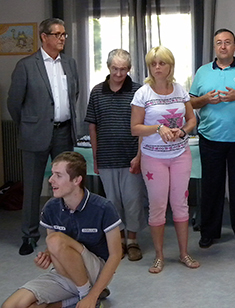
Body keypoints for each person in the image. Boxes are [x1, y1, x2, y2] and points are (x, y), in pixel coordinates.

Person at [1, 152, 121, 308]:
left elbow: (116, 255)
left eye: (58, 175)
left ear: (76, 180)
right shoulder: (51, 207)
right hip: (65, 272)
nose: (51, 180)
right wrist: (47, 255)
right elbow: (54, 248)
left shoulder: (103, 208)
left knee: (55, 239)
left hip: (95, 271)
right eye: (52, 174)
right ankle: (74, 299)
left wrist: (91, 295)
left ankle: (88, 295)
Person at [7, 18, 79, 256]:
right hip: (34, 134)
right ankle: (29, 236)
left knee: (66, 184)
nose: (62, 39)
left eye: (64, 35)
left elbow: (74, 94)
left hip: (63, 132)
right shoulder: (26, 65)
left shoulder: (69, 63)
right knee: (33, 186)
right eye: (57, 34)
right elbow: (14, 103)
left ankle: (65, 231)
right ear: (43, 37)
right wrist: (30, 124)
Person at [189, 29, 235, 249]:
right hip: (210, 137)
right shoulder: (202, 72)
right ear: (214, 47)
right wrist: (205, 99)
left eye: (227, 42)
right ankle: (209, 232)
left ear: (234, 46)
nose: (223, 46)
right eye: (219, 42)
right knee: (211, 187)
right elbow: (191, 103)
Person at [131, 46, 199, 273]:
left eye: (162, 63)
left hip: (180, 155)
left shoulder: (180, 90)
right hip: (153, 158)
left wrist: (182, 131)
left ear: (170, 66)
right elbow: (135, 128)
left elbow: (191, 120)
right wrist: (158, 128)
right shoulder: (143, 93)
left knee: (181, 204)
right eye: (153, 63)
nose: (157, 68)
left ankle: (184, 253)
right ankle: (159, 256)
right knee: (158, 206)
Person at [85, 49, 147, 262]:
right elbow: (92, 126)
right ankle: (118, 240)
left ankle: (133, 241)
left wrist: (140, 156)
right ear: (108, 67)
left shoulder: (139, 91)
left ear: (129, 69)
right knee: (112, 203)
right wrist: (95, 157)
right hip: (106, 157)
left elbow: (143, 126)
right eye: (115, 69)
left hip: (131, 156)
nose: (119, 73)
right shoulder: (96, 91)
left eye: (123, 69)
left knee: (133, 201)